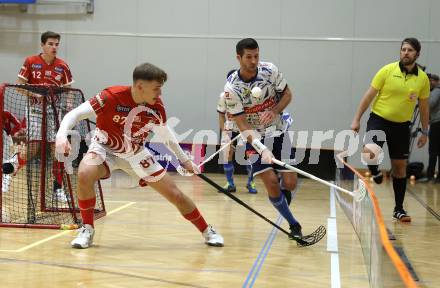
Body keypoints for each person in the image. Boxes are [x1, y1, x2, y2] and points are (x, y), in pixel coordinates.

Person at [55, 62, 224, 249]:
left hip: (135, 154)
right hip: (104, 148)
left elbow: (165, 134)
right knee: (84, 173)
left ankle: (207, 230)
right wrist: (62, 136)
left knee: (175, 194)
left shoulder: (156, 107)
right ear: (140, 86)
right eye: (157, 89)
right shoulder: (110, 96)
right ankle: (87, 229)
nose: (159, 94)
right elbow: (74, 114)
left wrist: (184, 160)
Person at [223, 38, 301, 239]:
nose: (253, 61)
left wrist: (275, 111)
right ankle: (294, 225)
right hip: (253, 140)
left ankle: (283, 201)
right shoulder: (231, 90)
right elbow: (242, 125)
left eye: (256, 56)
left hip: (278, 133)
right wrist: (261, 148)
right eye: (248, 57)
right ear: (238, 58)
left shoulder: (270, 70)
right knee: (271, 182)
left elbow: (288, 94)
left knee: (290, 182)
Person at [351, 38, 430, 222]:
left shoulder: (423, 79)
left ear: (417, 54)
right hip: (379, 119)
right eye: (403, 49)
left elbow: (424, 107)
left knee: (400, 168)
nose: (405, 53)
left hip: (402, 126)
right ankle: (375, 170)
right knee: (370, 152)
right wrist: (356, 119)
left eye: (410, 50)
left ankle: (399, 209)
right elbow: (368, 96)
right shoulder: (387, 70)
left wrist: (425, 132)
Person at [16, 31, 74, 199]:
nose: (54, 47)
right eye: (50, 44)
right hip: (34, 111)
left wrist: (69, 106)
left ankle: (57, 189)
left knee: (57, 149)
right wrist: (34, 95)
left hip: (53, 113)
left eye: (56, 44)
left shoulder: (62, 65)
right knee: (33, 148)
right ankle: (8, 170)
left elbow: (69, 89)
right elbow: (19, 85)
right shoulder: (31, 61)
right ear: (42, 45)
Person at [217, 69, 257, 193]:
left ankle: (251, 183)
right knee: (227, 154)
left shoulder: (249, 95)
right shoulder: (224, 96)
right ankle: (230, 184)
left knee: (251, 156)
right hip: (230, 127)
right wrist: (224, 133)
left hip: (246, 127)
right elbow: (221, 115)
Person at [420, 73, 440, 182]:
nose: (430, 83)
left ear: (437, 82)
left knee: (433, 150)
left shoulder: (437, 90)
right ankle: (436, 177)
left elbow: (430, 103)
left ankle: (430, 176)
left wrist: (422, 100)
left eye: (432, 80)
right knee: (437, 151)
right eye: (429, 80)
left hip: (437, 124)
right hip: (437, 122)